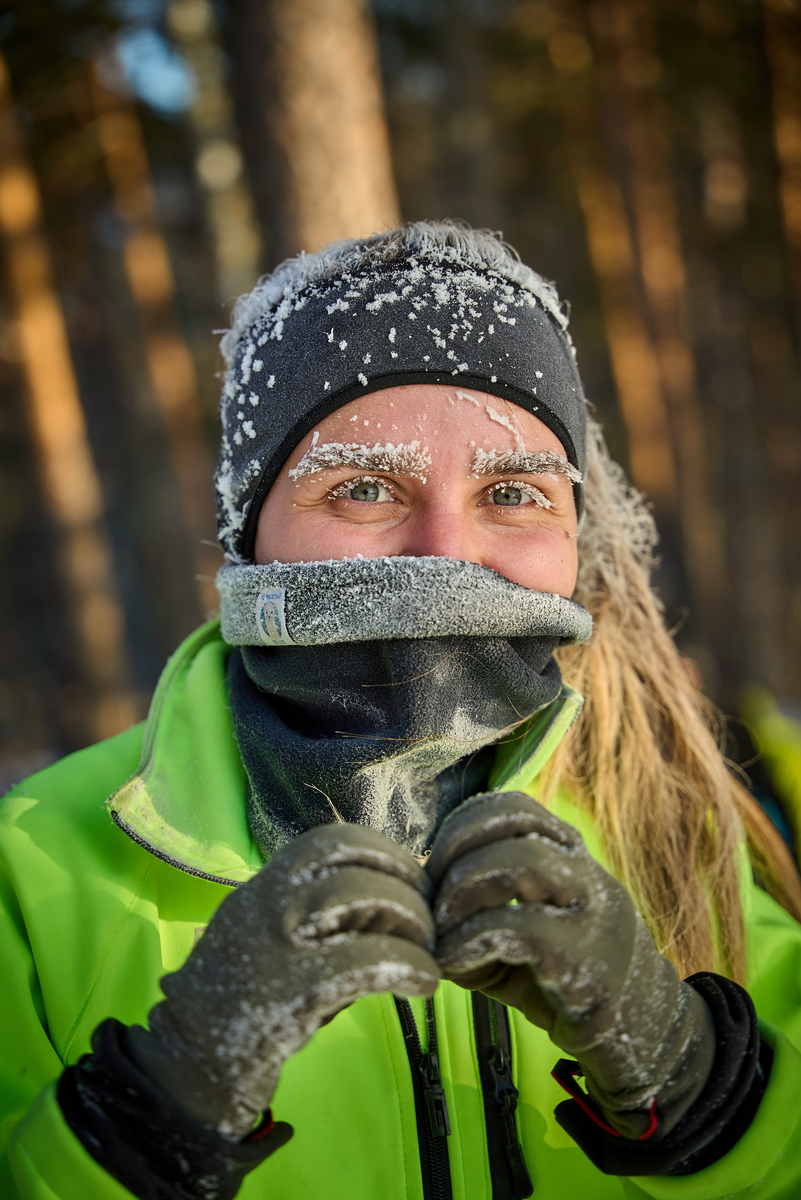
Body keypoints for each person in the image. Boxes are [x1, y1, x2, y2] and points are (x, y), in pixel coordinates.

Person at [2, 221, 801, 1200]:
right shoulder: (31, 872)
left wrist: (699, 1088)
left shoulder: (686, 838)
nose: (445, 554)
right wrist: (145, 1119)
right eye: (367, 486)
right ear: (251, 534)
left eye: (513, 490)